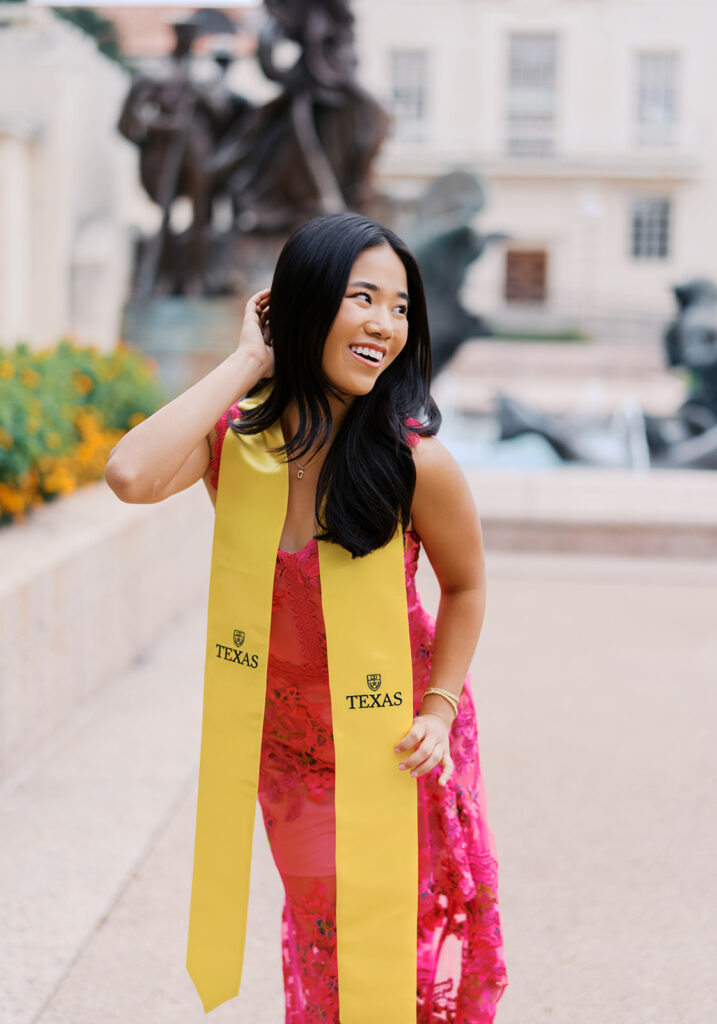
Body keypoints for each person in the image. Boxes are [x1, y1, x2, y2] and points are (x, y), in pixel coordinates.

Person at [105, 212, 507, 1021]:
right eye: (363, 298)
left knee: (403, 953)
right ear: (305, 303)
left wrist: (439, 706)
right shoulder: (236, 448)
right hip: (290, 755)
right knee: (327, 945)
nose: (385, 325)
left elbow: (465, 587)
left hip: (401, 741)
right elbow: (130, 473)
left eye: (399, 307)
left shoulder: (412, 463)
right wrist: (250, 357)